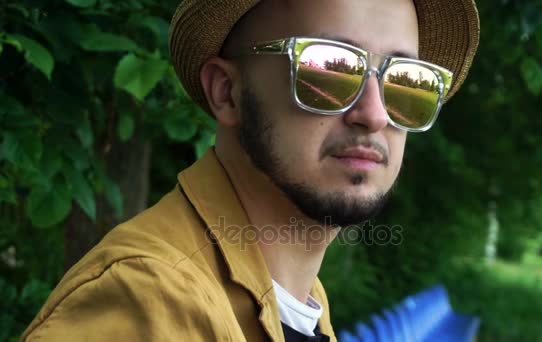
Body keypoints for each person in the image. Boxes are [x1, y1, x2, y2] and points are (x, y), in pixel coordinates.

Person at [22, 0, 479, 341]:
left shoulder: (303, 300)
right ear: (227, 92)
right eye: (329, 67)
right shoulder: (150, 300)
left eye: (406, 81)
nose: (375, 114)